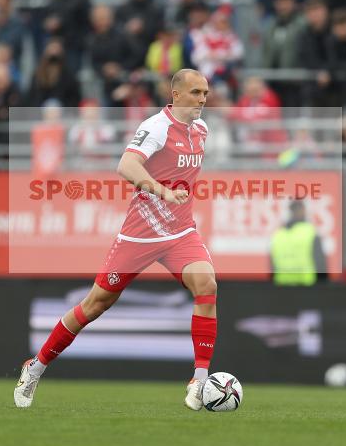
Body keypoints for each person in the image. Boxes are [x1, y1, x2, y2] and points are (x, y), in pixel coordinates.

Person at [15, 69, 219, 411]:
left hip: (181, 232)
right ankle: (35, 366)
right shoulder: (157, 126)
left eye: (206, 93)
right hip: (140, 234)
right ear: (177, 94)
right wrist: (160, 190)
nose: (203, 99)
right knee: (96, 304)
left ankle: (199, 381)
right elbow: (126, 165)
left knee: (207, 284)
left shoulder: (201, 130)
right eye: (197, 92)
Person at [45, 0, 92, 72]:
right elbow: (48, 16)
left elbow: (87, 23)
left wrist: (61, 22)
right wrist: (49, 23)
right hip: (57, 44)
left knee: (72, 73)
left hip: (75, 46)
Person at [270, 199, 327, 286]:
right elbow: (321, 265)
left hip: (282, 288)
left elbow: (272, 266)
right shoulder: (310, 233)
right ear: (304, 210)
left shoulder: (278, 235)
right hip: (307, 287)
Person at [26, 38, 82, 108]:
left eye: (57, 50)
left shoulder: (68, 76)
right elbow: (31, 98)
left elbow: (74, 99)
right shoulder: (37, 76)